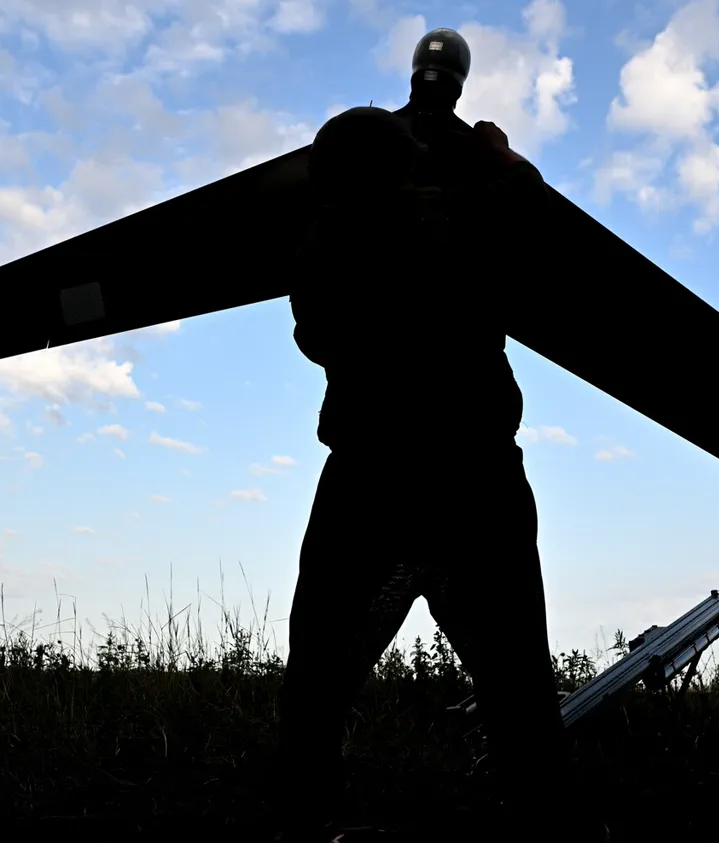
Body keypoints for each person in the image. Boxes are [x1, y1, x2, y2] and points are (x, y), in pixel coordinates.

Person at [275, 106, 589, 842]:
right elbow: (533, 217)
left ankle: (302, 817)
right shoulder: (466, 223)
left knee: (317, 668)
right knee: (516, 670)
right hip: (474, 474)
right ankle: (548, 824)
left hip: (366, 475)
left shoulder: (322, 253)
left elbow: (315, 336)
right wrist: (498, 157)